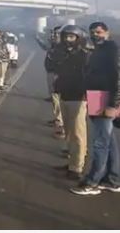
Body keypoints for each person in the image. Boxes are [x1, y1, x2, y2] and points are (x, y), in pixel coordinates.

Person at [71, 22, 120, 195]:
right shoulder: (99, 49)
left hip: (104, 97)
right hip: (96, 95)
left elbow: (117, 78)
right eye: (92, 32)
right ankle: (113, 179)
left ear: (107, 32)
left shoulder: (112, 50)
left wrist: (113, 105)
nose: (95, 35)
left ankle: (92, 181)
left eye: (99, 32)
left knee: (100, 142)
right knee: (108, 140)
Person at [51, 25, 88, 180]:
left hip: (78, 98)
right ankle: (72, 162)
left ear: (78, 38)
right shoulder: (63, 53)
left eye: (71, 37)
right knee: (69, 134)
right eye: (66, 36)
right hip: (65, 95)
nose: (67, 40)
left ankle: (77, 167)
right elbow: (52, 67)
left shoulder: (84, 55)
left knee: (78, 134)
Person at [45, 26, 66, 139]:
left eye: (57, 34)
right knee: (54, 98)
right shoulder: (55, 46)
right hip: (52, 73)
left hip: (57, 75)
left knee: (59, 99)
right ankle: (58, 119)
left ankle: (61, 123)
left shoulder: (63, 48)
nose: (54, 36)